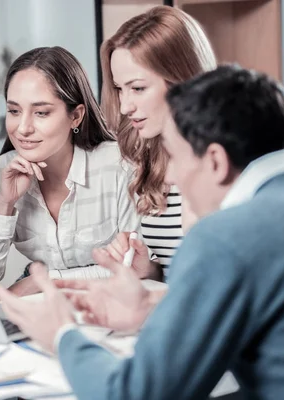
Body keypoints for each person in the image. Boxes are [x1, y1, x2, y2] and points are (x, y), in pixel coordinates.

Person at [0, 65, 284, 399]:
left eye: (173, 156)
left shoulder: (226, 236)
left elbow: (134, 394)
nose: (171, 176)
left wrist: (62, 335)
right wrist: (156, 307)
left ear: (215, 161)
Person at [0, 46, 141, 295]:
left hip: (110, 303)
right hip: (42, 305)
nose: (23, 128)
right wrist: (4, 205)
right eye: (14, 111)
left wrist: (47, 280)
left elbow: (133, 266)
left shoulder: (117, 166)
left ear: (76, 117)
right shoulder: (4, 169)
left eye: (41, 113)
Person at [100, 6, 216, 280]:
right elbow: (178, 276)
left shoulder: (223, 161)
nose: (125, 106)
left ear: (183, 82)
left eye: (138, 88)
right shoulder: (148, 154)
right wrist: (150, 270)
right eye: (119, 89)